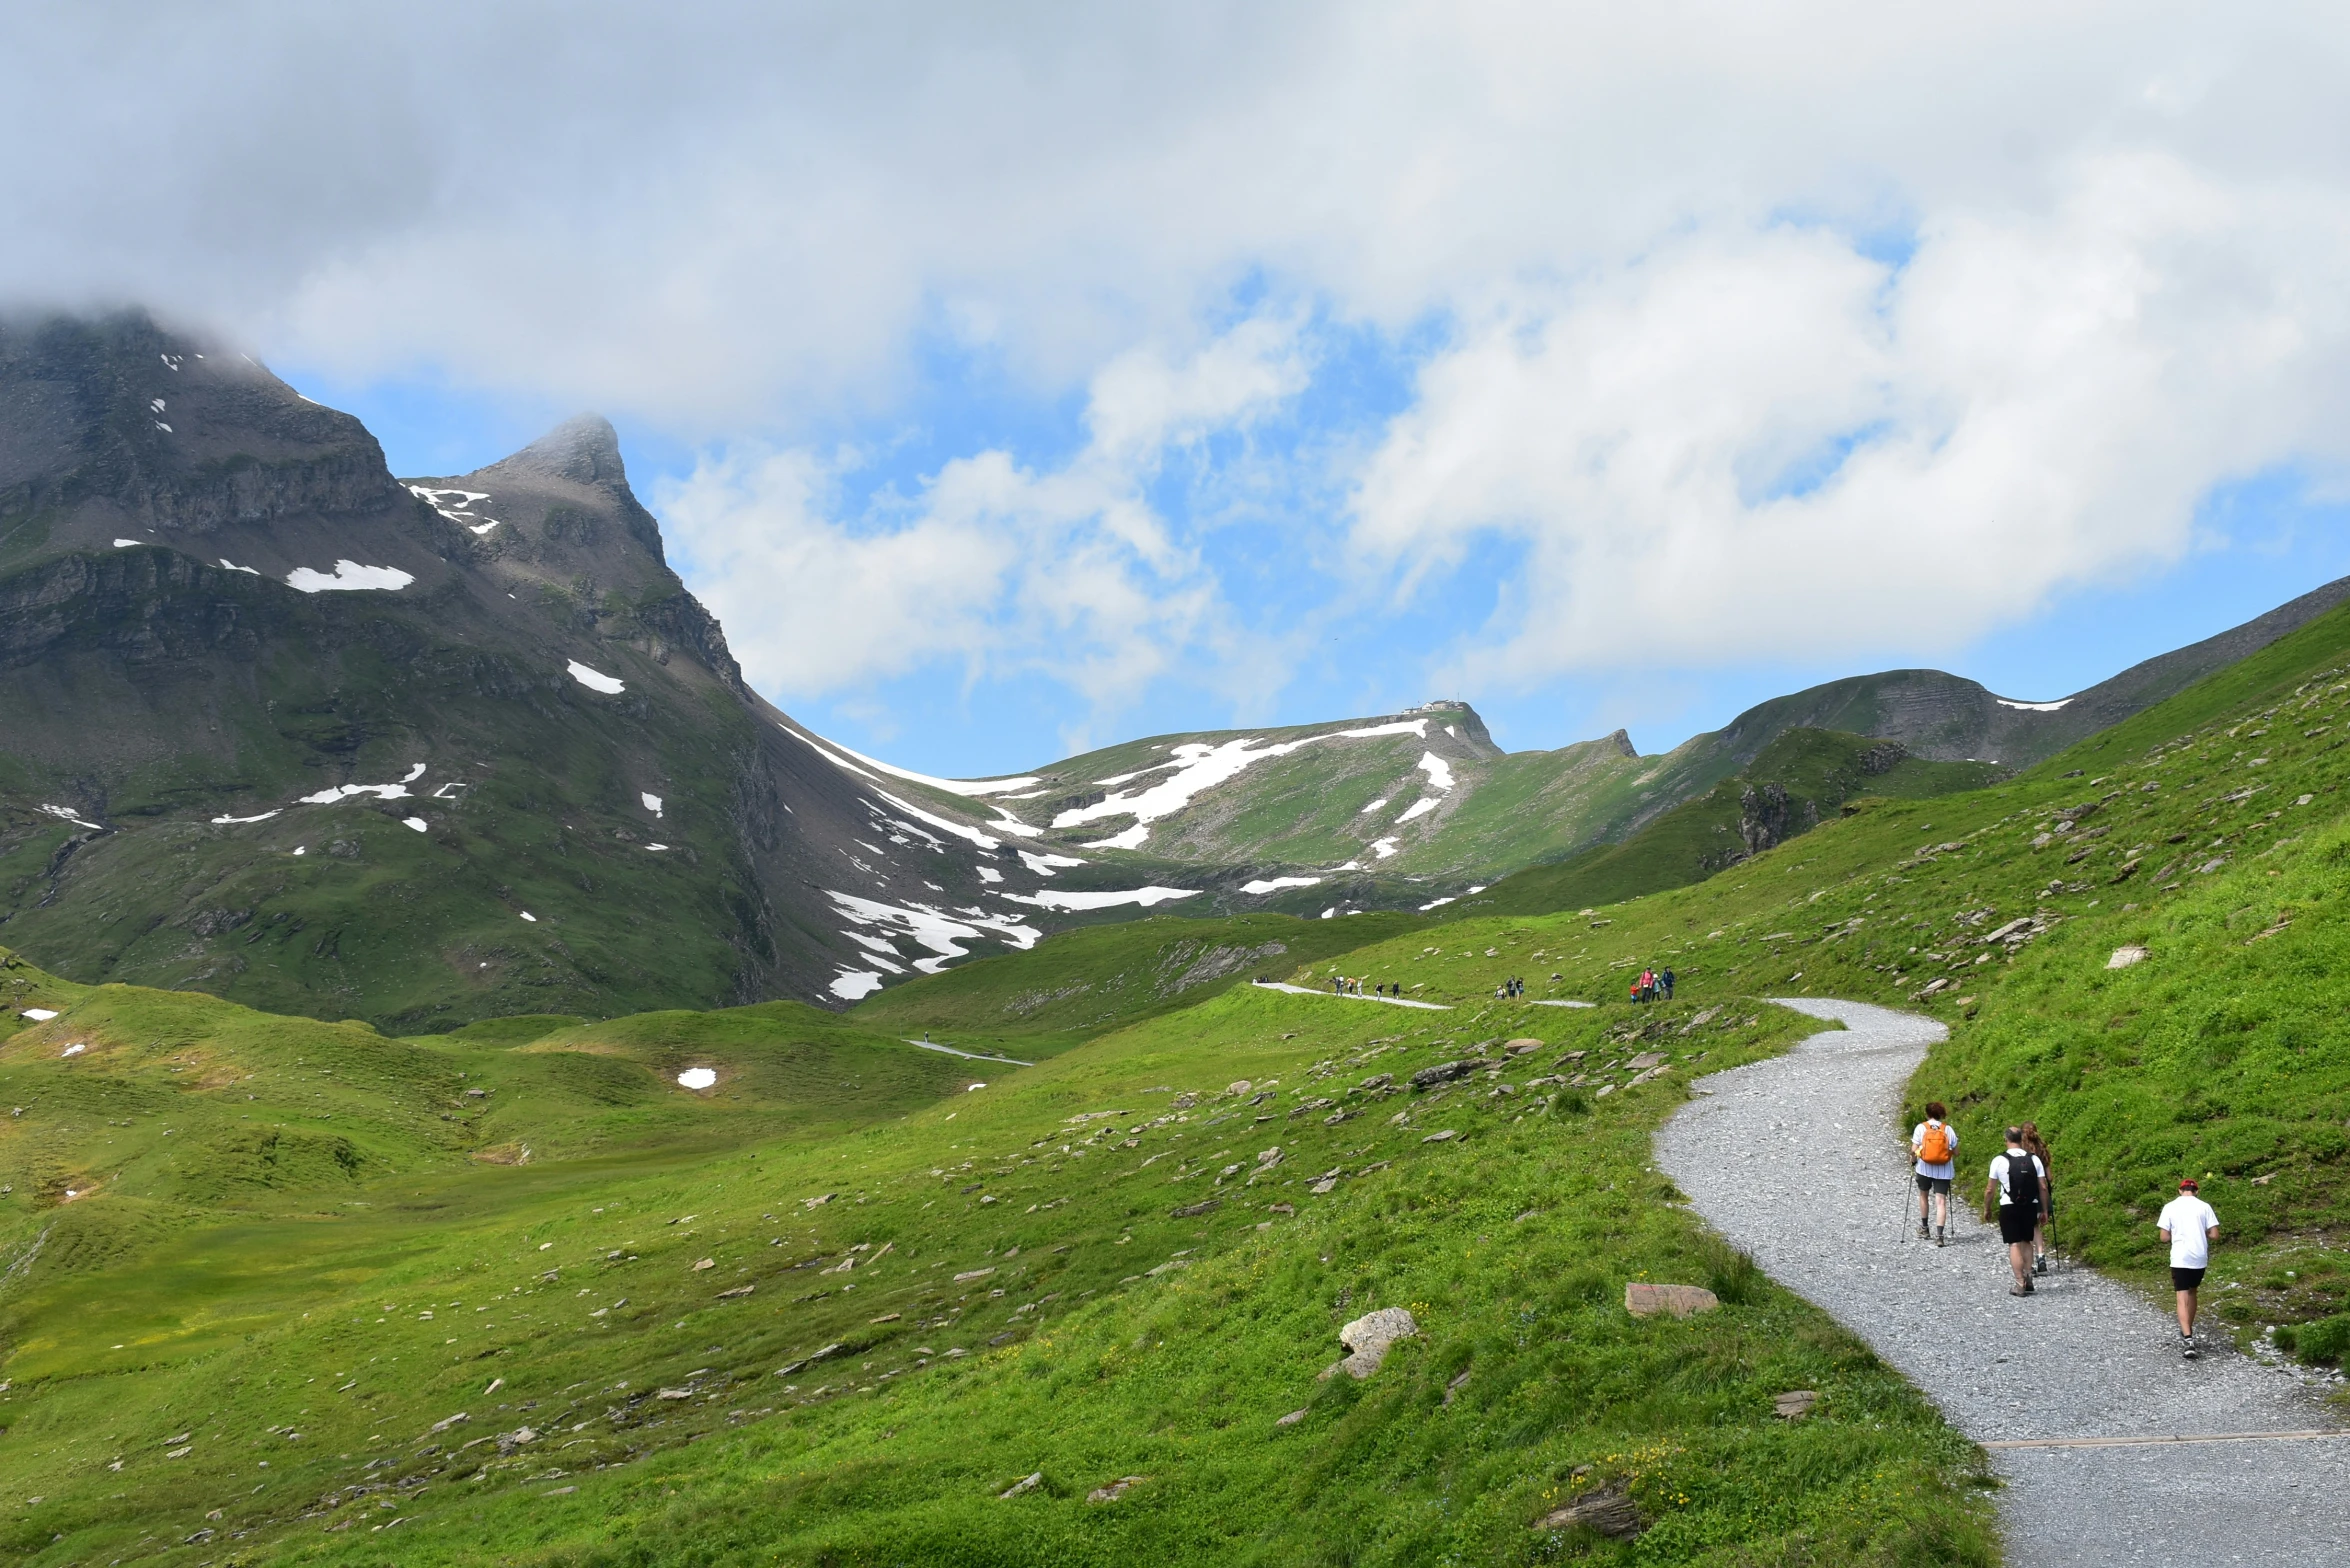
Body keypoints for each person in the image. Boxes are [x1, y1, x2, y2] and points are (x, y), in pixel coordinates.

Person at [2158, 1177, 2221, 1359]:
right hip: (2199, 1258)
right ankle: (2189, 1331)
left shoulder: (2170, 1207)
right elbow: (2215, 1234)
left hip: (2180, 1257)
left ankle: (2188, 1338)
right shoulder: (2204, 1206)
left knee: (2181, 1295)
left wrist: (2173, 1235)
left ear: (2180, 1191)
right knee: (2193, 1292)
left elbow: (2163, 1237)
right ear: (2196, 1191)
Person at [1985, 1127, 2045, 1296]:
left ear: (2006, 1139)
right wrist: (2044, 1209)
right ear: (2021, 1139)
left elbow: (1990, 1189)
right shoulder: (2034, 1159)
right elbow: (2043, 1187)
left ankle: (2020, 1283)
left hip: (2008, 1205)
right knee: (2027, 1241)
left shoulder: (1999, 1160)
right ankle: (2028, 1277)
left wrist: (1987, 1209)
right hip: (2030, 1205)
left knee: (2014, 1243)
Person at [1910, 1101, 1958, 1246]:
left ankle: (1925, 1228)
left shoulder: (1921, 1128)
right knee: (1941, 1201)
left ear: (1927, 1114)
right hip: (1944, 1170)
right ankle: (1940, 1236)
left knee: (1923, 1195)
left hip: (1924, 1168)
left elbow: (1913, 1149)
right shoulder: (1947, 1129)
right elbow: (1957, 1152)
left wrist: (1913, 1160)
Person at [2019, 1122, 2055, 1274]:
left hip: (2025, 1192)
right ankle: (2041, 1258)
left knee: (2024, 1229)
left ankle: (2029, 1265)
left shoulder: (2021, 1150)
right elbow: (2049, 1177)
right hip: (2040, 1192)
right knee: (2036, 1227)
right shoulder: (2042, 1148)